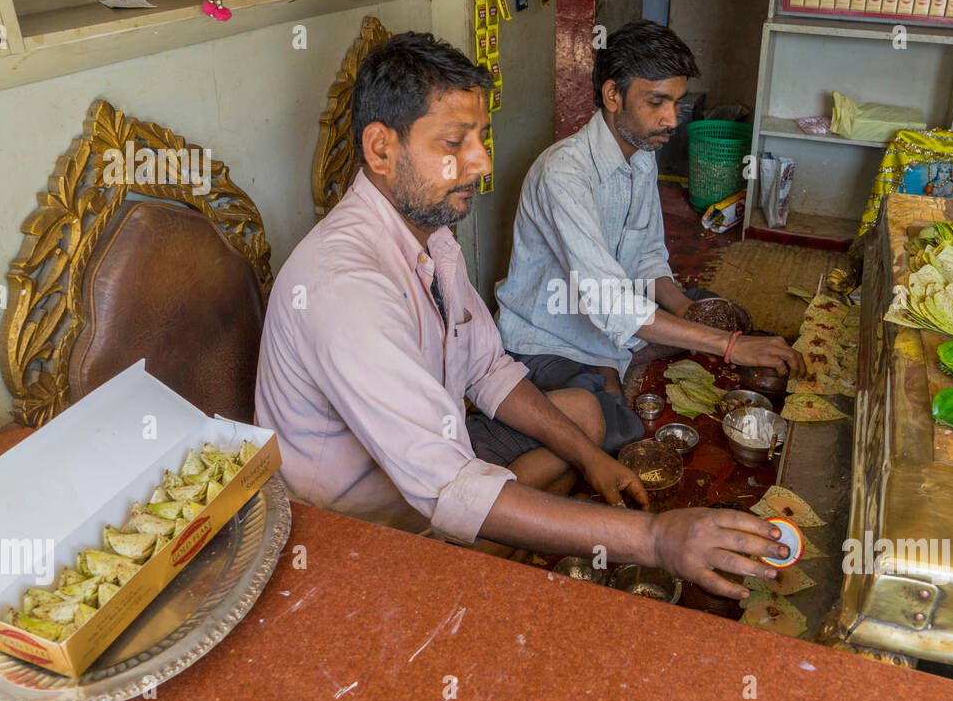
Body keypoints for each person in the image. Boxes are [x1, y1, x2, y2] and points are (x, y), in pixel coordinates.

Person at [255, 32, 788, 598]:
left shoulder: (433, 240)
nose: (482, 162)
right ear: (381, 149)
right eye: (455, 142)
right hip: (364, 521)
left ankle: (491, 543)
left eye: (480, 138)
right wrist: (655, 539)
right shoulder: (346, 286)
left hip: (433, 454)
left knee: (585, 417)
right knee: (514, 488)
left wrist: (590, 460)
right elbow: (446, 487)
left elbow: (489, 370)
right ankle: (439, 568)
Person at [495, 19, 803, 451]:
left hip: (609, 318)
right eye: (657, 102)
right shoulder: (564, 173)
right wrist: (731, 347)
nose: (671, 119)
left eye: (676, 103)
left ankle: (629, 358)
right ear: (612, 95)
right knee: (617, 430)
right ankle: (587, 384)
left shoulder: (640, 154)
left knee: (705, 306)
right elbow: (607, 299)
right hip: (549, 338)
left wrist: (686, 312)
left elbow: (645, 256)